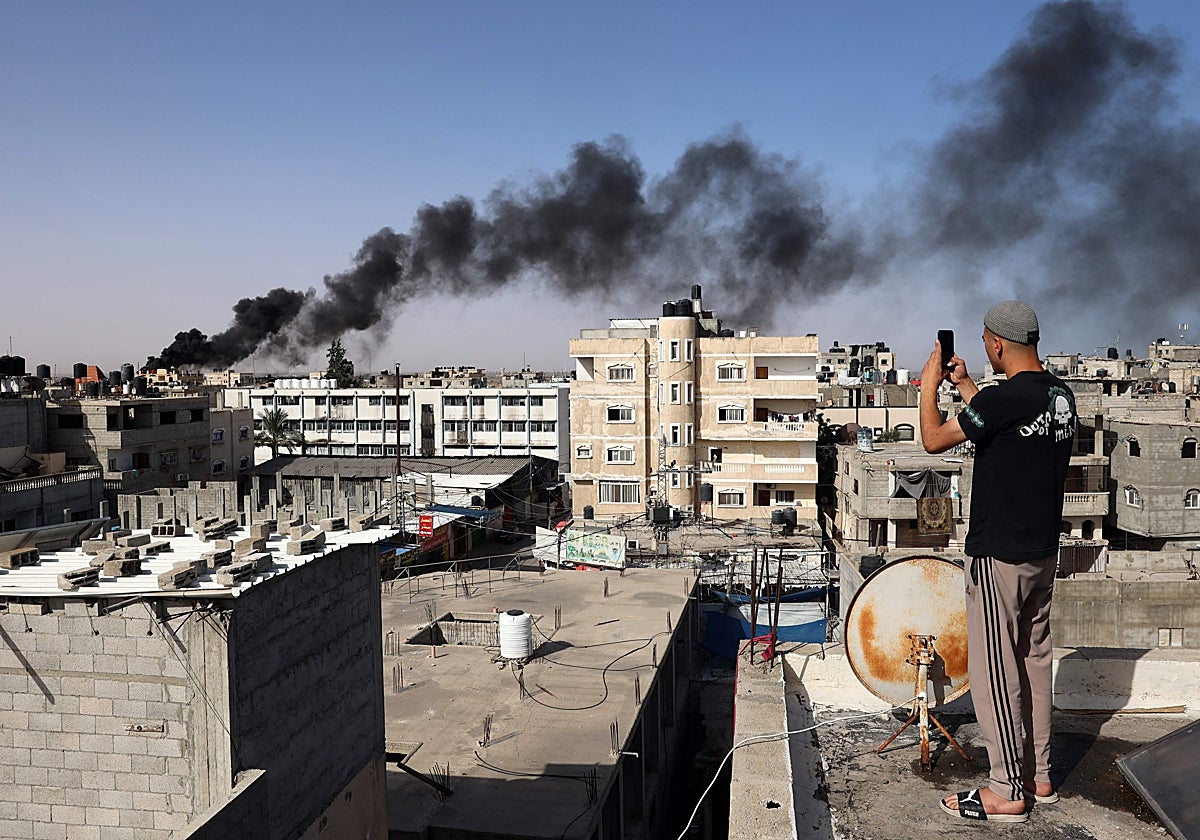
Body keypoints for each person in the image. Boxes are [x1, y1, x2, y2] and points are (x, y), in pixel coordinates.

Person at [919, 300, 1076, 824]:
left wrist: (927, 387)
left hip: (998, 555)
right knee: (1034, 661)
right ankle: (1039, 775)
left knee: (995, 670)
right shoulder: (1060, 397)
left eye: (987, 341)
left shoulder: (1005, 400)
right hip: (1041, 554)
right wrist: (965, 388)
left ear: (998, 344)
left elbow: (935, 439)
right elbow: (1007, 427)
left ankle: (1006, 789)